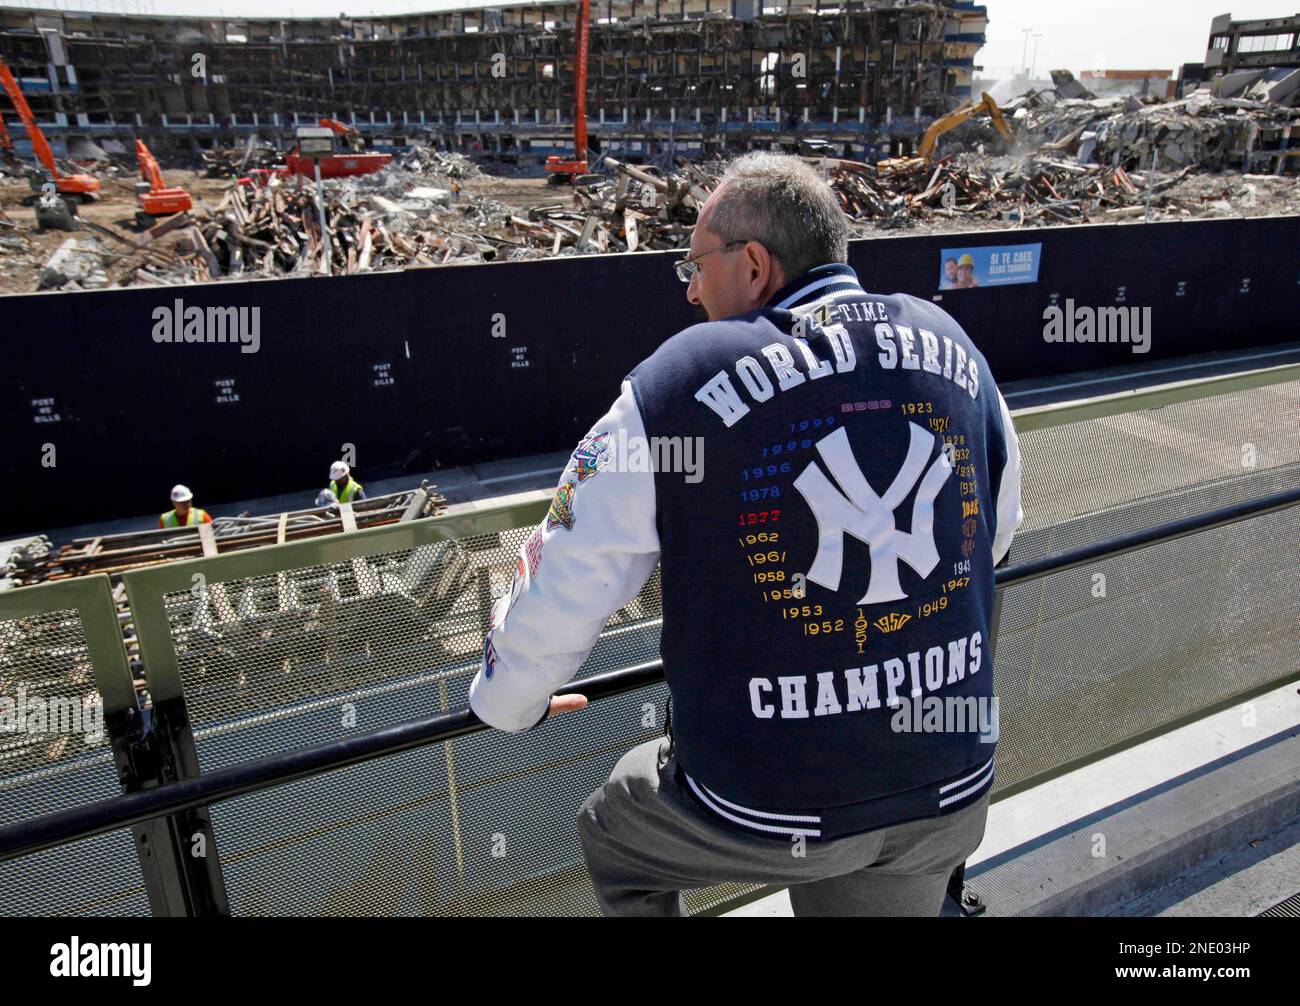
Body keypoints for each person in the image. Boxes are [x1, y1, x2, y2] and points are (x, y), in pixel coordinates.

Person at [468, 152, 1023, 917]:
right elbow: (993, 540)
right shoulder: (955, 345)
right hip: (947, 786)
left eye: (695, 264)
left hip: (768, 801)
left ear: (755, 265)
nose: (691, 288)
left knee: (612, 833)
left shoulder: (675, 383)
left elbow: (569, 575)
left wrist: (509, 699)